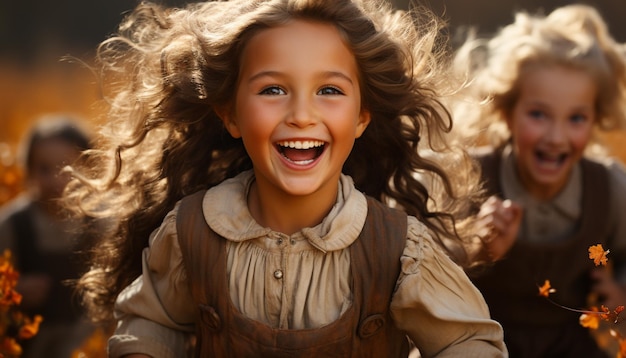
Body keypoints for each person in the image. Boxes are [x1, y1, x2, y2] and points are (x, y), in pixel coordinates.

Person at [64, 0, 507, 356]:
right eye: (273, 89)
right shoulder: (191, 233)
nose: (300, 115)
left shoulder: (398, 251)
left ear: (361, 117)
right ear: (231, 114)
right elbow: (150, 325)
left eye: (329, 91)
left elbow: (468, 343)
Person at [449, 4, 626, 357]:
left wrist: (620, 291)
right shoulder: (470, 178)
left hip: (573, 347)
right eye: (539, 114)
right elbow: (426, 270)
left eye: (576, 118)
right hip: (485, 346)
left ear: (595, 120)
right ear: (507, 110)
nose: (556, 137)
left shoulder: (610, 188)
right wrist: (474, 248)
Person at [0, 114, 94, 358]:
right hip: (27, 348)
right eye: (43, 169)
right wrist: (13, 292)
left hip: (83, 344)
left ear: (88, 169)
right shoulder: (12, 224)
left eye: (66, 169)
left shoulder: (98, 224)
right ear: (28, 169)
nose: (55, 180)